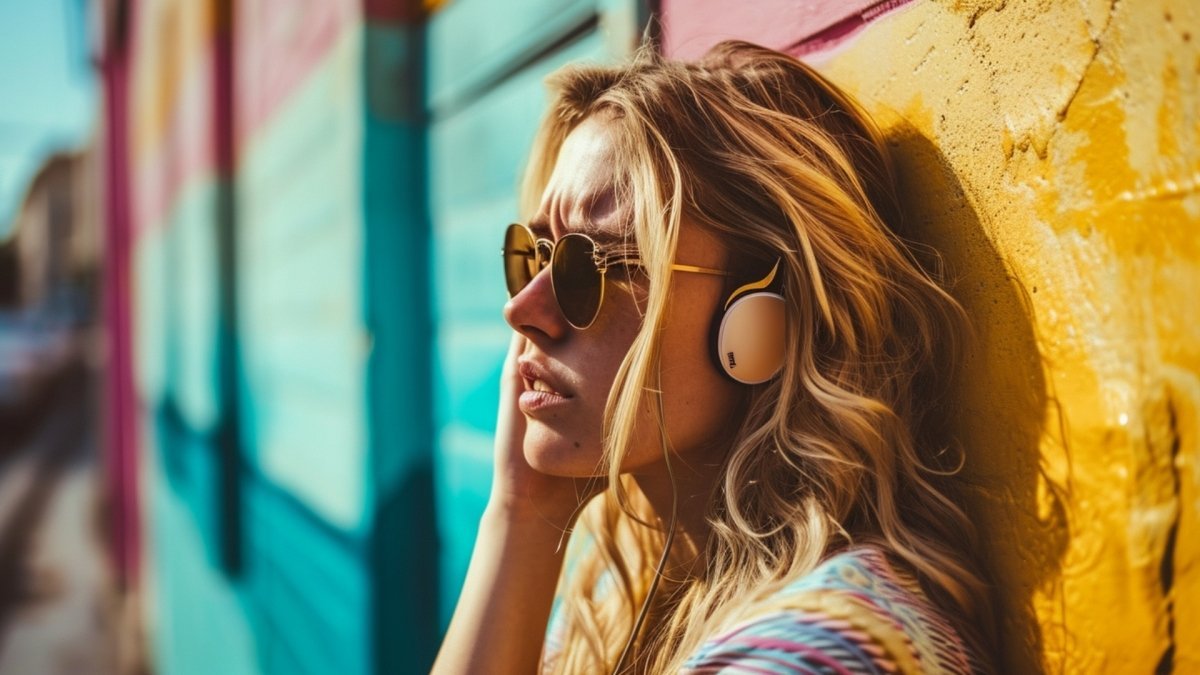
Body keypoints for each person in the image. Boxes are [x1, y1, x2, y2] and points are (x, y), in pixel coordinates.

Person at [432, 40, 993, 674]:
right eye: (532, 256)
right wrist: (522, 515)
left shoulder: (816, 655)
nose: (523, 310)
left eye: (596, 265)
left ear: (761, 319)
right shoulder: (625, 593)